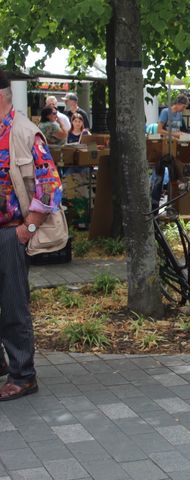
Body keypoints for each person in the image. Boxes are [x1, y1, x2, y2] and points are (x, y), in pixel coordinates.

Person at [0, 68, 64, 400]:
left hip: (11, 233)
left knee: (13, 306)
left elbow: (51, 187)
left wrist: (29, 229)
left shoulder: (25, 132)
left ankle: (23, 375)